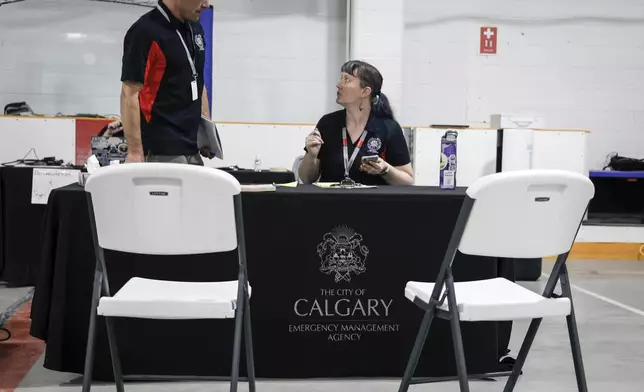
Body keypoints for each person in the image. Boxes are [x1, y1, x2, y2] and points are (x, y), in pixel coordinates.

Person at [120, 0, 213, 165]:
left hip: (192, 148)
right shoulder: (145, 31)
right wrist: (135, 152)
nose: (206, 4)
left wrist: (206, 134)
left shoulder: (195, 28)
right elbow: (130, 93)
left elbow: (198, 81)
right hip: (162, 151)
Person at [298, 60, 414, 186]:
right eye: (340, 79)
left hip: (371, 203)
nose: (339, 85)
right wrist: (311, 155)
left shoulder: (388, 127)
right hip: (330, 202)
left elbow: (408, 181)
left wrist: (386, 169)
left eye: (346, 80)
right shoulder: (327, 123)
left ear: (365, 92)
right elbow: (306, 179)